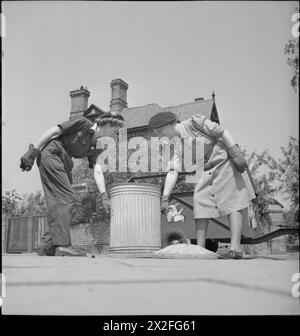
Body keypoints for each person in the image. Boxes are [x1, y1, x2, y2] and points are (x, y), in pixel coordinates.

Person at [148, 111, 253, 259]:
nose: (159, 135)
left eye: (159, 131)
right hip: (204, 169)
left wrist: (235, 151)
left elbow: (221, 131)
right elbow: (173, 171)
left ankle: (235, 248)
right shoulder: (176, 144)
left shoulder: (194, 123)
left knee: (232, 201)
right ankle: (200, 249)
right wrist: (165, 196)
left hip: (222, 162)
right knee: (200, 200)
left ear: (169, 125)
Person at [20, 112, 125, 257]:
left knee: (61, 201)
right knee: (66, 198)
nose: (115, 136)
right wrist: (32, 152)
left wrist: (104, 195)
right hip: (52, 153)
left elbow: (98, 170)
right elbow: (53, 132)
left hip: (64, 162)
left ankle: (47, 246)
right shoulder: (82, 123)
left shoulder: (98, 145)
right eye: (115, 131)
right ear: (107, 125)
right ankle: (62, 246)